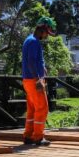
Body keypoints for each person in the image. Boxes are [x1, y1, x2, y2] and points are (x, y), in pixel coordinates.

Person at [21, 16, 57, 146]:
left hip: (28, 80)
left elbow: (34, 60)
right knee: (42, 108)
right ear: (42, 30)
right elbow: (31, 61)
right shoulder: (34, 42)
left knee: (32, 109)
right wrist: (38, 79)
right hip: (33, 80)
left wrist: (43, 69)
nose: (47, 36)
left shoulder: (29, 40)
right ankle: (38, 137)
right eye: (47, 33)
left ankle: (28, 136)